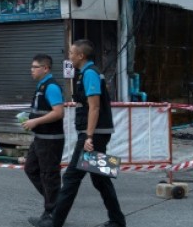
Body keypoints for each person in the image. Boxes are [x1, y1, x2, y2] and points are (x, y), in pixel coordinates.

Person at [31, 40, 125, 227]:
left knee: (71, 178)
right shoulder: (87, 73)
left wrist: (88, 136)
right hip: (97, 132)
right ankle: (117, 220)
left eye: (72, 53)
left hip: (94, 134)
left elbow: (95, 107)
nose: (69, 56)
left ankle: (54, 221)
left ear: (81, 56)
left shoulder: (90, 73)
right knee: (101, 180)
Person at [22, 53, 65, 226]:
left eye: (34, 67)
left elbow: (58, 112)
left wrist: (35, 121)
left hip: (51, 140)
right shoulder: (41, 86)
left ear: (45, 68)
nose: (31, 70)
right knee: (31, 169)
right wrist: (30, 119)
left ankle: (53, 212)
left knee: (50, 176)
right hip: (40, 138)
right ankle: (56, 205)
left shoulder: (51, 87)